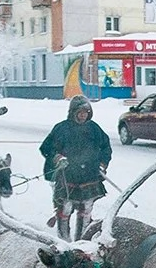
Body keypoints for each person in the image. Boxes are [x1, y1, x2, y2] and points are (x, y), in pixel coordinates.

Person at [39, 95, 112, 241]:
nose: (83, 115)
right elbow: (46, 147)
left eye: (86, 112)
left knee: (86, 210)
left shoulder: (94, 129)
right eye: (80, 112)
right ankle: (64, 240)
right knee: (65, 209)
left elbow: (106, 148)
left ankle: (82, 240)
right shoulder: (61, 128)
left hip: (89, 176)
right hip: (67, 176)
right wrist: (57, 157)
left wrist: (103, 164)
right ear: (73, 112)